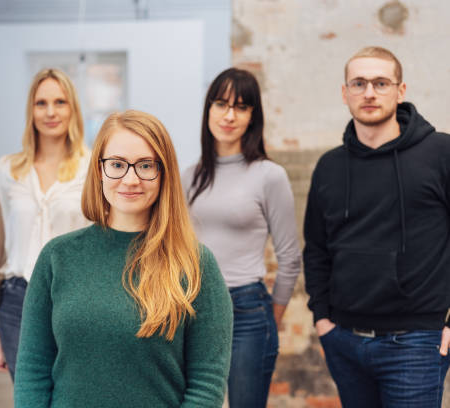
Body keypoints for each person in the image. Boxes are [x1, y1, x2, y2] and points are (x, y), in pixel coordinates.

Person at [14, 110, 233, 407]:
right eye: (117, 164)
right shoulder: (57, 258)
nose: (131, 179)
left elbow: (207, 384)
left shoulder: (196, 264)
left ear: (163, 172)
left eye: (145, 166)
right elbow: (33, 370)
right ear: (100, 170)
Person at [304, 46, 450, 407]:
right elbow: (317, 248)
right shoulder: (330, 167)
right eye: (359, 83)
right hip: (345, 341)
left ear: (400, 91)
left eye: (381, 83)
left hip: (416, 341)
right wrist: (323, 320)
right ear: (345, 93)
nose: (369, 93)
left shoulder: (440, 154)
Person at [183, 67, 301, 407]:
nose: (229, 115)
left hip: (247, 310)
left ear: (253, 116)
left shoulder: (269, 176)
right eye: (221, 104)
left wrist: (272, 317)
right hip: (193, 307)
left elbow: (290, 257)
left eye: (241, 106)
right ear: (209, 110)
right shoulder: (188, 177)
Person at [0, 68, 90, 380]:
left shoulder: (93, 167)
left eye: (60, 102)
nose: (51, 112)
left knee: (76, 395)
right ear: (31, 109)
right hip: (18, 302)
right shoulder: (7, 170)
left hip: (76, 299)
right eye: (41, 103)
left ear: (73, 109)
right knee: (29, 398)